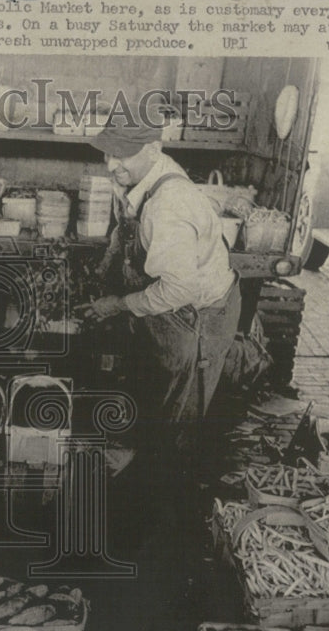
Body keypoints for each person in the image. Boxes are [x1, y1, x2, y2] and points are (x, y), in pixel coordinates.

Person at [80, 111, 242, 482]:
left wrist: (118, 305)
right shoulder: (142, 179)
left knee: (179, 425)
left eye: (121, 154)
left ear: (153, 148)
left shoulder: (170, 205)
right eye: (107, 153)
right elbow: (125, 231)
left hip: (198, 319)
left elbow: (178, 288)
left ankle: (166, 503)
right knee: (156, 403)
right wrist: (105, 268)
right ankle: (145, 472)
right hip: (170, 310)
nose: (110, 164)